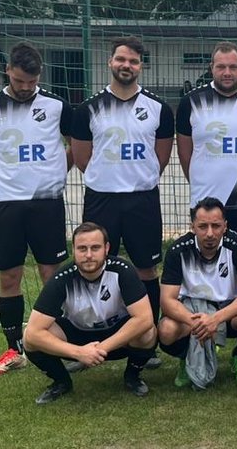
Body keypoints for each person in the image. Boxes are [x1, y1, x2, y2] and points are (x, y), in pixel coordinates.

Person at [0, 42, 73, 377]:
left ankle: (59, 342)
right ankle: (14, 349)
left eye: (32, 81)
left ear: (39, 76)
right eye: (20, 81)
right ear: (8, 71)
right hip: (6, 204)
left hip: (47, 203)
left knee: (51, 275)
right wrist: (5, 176)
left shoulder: (56, 106)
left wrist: (56, 170)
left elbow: (77, 145)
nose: (26, 87)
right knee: (9, 275)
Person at [71, 36, 174, 337]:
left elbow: (162, 155)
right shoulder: (88, 109)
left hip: (142, 198)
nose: (126, 65)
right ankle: (96, 333)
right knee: (96, 266)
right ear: (110, 62)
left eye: (133, 61)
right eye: (121, 59)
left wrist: (138, 175)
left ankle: (148, 335)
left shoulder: (158, 108)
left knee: (146, 268)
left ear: (141, 66)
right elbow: (81, 158)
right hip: (101, 198)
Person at [22, 222, 158, 404]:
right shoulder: (61, 279)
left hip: (116, 337)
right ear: (74, 250)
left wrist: (100, 349)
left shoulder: (123, 271)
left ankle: (132, 376)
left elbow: (145, 318)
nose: (88, 255)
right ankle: (61, 381)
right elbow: (33, 332)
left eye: (95, 248)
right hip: (78, 335)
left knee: (147, 332)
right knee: (29, 339)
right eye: (82, 248)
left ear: (106, 248)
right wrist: (78, 352)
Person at [175, 41, 237, 264]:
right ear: (211, 67)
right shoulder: (191, 102)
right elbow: (184, 151)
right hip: (206, 203)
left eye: (233, 67)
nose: (227, 72)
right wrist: (201, 181)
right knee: (204, 266)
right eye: (221, 67)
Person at [155, 197, 237, 388]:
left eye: (216, 226)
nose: (209, 233)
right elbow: (167, 300)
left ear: (225, 226)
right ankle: (186, 358)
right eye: (202, 226)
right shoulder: (178, 250)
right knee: (166, 330)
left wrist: (215, 319)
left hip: (228, 313)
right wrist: (198, 323)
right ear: (193, 227)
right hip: (193, 313)